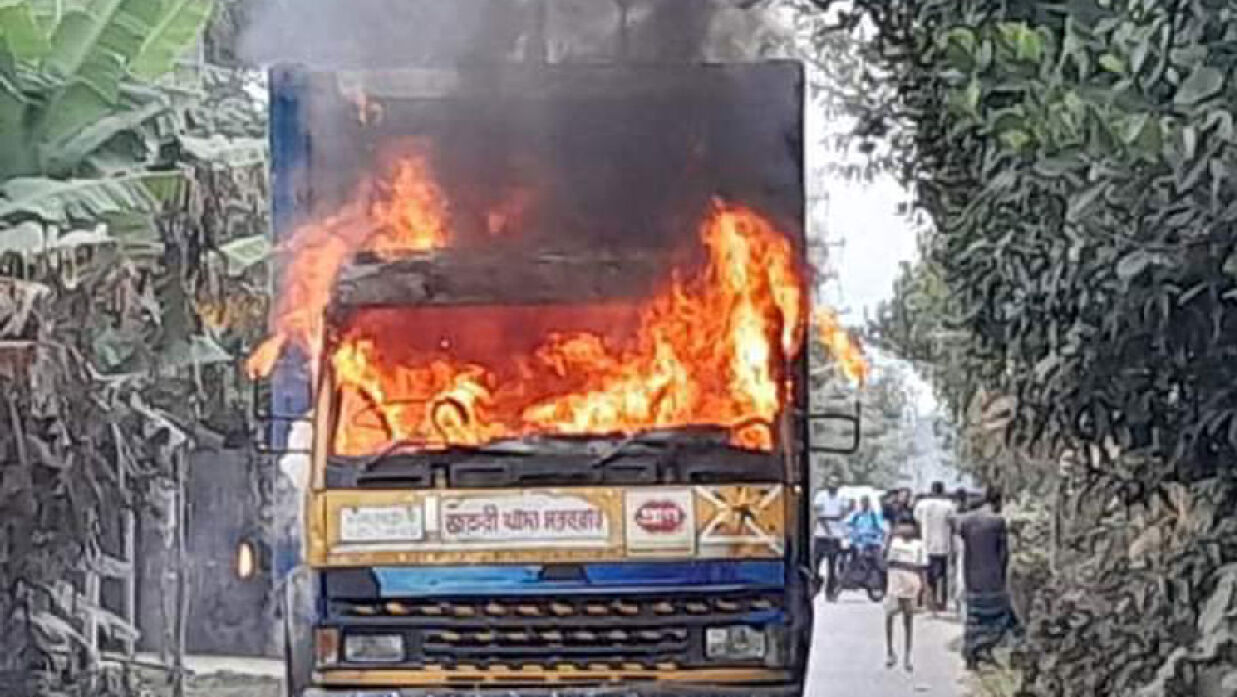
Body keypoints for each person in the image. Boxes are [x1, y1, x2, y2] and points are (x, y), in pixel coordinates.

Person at [956, 487, 1022, 670]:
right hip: (992, 577)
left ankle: (973, 652)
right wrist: (1003, 577)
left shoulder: (967, 522)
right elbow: (1003, 554)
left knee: (975, 617)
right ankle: (985, 649)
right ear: (999, 501)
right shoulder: (998, 522)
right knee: (999, 618)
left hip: (971, 575)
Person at [884, 520, 926, 672]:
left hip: (911, 583)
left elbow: (922, 567)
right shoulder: (895, 543)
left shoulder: (919, 545)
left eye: (909, 526)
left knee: (908, 620)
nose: (906, 529)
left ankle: (907, 656)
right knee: (889, 615)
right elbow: (888, 561)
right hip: (895, 582)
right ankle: (890, 651)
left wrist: (924, 589)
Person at [913, 481, 957, 612]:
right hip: (943, 544)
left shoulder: (922, 505)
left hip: (927, 543)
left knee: (929, 574)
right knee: (943, 575)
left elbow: (917, 519)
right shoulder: (949, 505)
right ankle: (942, 602)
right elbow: (952, 521)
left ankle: (930, 601)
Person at [812, 476, 851, 600]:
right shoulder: (821, 495)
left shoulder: (842, 497)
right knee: (815, 563)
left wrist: (828, 517)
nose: (832, 485)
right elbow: (819, 514)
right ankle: (814, 586)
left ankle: (830, 593)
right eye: (830, 482)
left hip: (836, 536)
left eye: (835, 483)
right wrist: (830, 519)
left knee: (832, 566)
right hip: (821, 535)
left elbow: (843, 513)